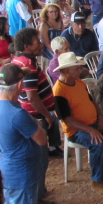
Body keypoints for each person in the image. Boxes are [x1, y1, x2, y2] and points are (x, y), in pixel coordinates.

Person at [53, 52, 103, 196]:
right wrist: (90, 130)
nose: (80, 70)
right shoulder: (58, 92)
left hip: (94, 122)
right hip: (77, 131)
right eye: (76, 68)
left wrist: (101, 117)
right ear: (67, 70)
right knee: (98, 144)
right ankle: (96, 180)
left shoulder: (78, 81)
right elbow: (68, 120)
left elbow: (92, 101)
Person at [0, 64, 47, 204]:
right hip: (22, 174)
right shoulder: (18, 114)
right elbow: (41, 139)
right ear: (20, 85)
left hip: (8, 170)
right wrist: (35, 123)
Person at [14, 27, 65, 171]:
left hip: (43, 107)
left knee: (52, 120)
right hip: (36, 111)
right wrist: (45, 114)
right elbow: (32, 97)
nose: (41, 45)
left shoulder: (22, 59)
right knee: (42, 135)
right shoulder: (28, 66)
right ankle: (43, 158)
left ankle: (53, 147)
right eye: (37, 43)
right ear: (26, 47)